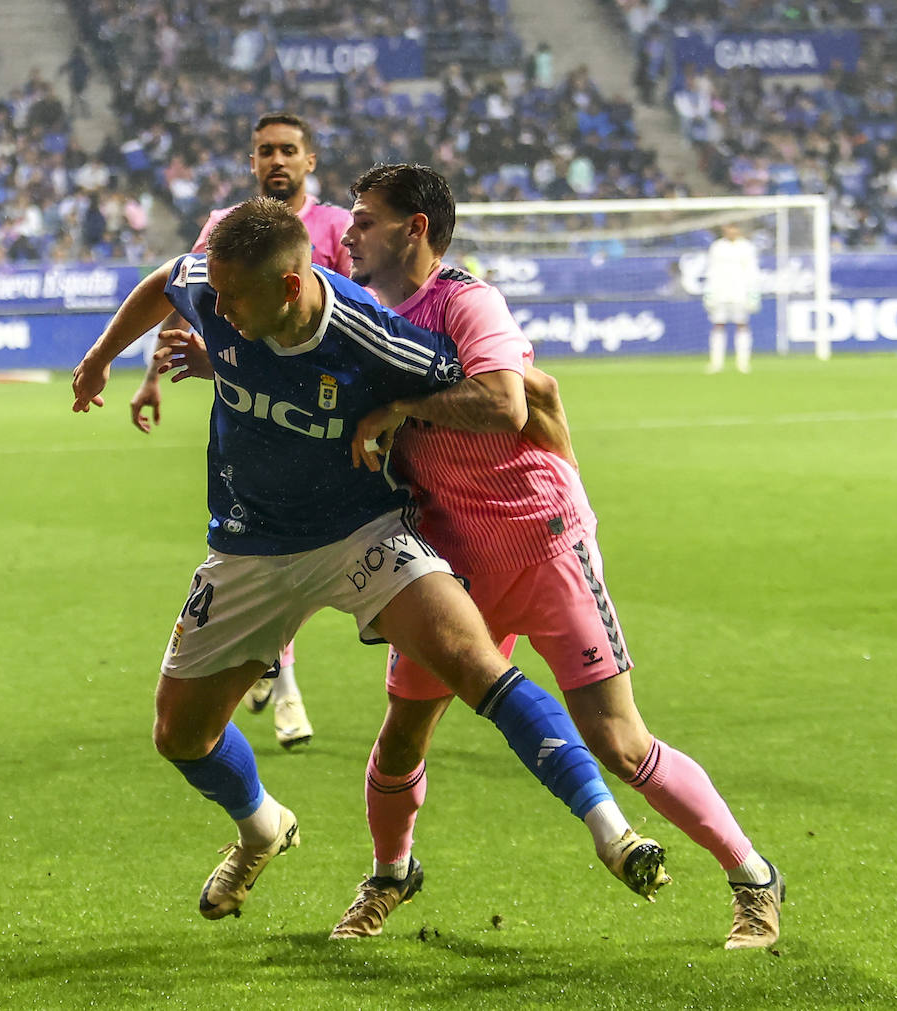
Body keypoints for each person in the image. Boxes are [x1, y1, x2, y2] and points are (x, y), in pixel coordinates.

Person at [72, 197, 668, 924]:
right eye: (214, 294)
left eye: (231, 297)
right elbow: (169, 277)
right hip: (248, 545)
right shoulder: (210, 287)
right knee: (180, 735)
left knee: (476, 662)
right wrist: (101, 359)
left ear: (290, 287)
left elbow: (489, 394)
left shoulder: (373, 334)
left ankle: (613, 833)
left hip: (364, 532)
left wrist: (536, 446)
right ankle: (262, 825)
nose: (213, 306)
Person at [336, 164, 781, 948]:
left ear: (415, 230)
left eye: (367, 218)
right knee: (404, 730)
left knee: (620, 741)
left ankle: (753, 877)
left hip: (543, 542)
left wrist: (400, 406)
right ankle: (390, 874)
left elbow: (509, 401)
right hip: (448, 564)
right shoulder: (363, 313)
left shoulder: (465, 300)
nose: (351, 231)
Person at [130, 112, 354, 750]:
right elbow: (189, 300)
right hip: (253, 421)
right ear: (252, 162)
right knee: (272, 552)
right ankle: (284, 689)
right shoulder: (226, 229)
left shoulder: (337, 228)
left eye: (288, 150)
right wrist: (153, 376)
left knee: (310, 561)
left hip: (322, 420)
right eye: (264, 152)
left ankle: (264, 662)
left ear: (310, 161)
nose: (276, 161)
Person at [703, 223, 761, 374]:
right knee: (718, 324)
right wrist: (709, 292)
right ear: (724, 230)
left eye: (735, 228)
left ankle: (743, 363)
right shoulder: (717, 247)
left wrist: (753, 293)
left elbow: (752, 271)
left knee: (742, 325)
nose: (732, 231)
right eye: (729, 228)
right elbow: (711, 270)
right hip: (720, 291)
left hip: (740, 292)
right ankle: (716, 363)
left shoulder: (747, 247)